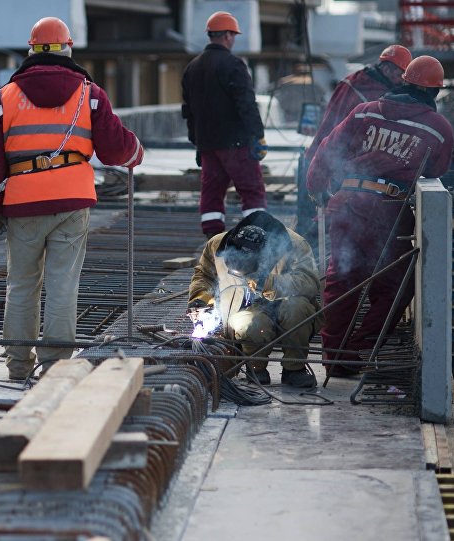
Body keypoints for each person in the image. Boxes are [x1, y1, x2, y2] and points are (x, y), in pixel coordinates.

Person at [0, 16, 143, 380]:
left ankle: (18, 366)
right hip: (71, 201)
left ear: (31, 50)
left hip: (23, 204)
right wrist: (136, 153)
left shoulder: (4, 98)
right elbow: (116, 149)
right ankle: (55, 368)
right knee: (63, 285)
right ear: (68, 48)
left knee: (21, 285)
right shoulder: (90, 93)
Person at [306, 56, 454, 377]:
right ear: (435, 93)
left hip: (345, 202)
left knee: (342, 280)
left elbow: (330, 149)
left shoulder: (365, 111)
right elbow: (437, 169)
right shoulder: (438, 128)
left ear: (403, 81)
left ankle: (334, 358)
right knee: (396, 284)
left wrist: (317, 187)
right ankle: (357, 348)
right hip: (387, 209)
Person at [188, 211, 321, 387]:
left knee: (296, 309)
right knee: (249, 324)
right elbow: (204, 276)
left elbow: (309, 282)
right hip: (249, 306)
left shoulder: (295, 245)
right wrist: (201, 299)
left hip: (287, 301)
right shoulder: (217, 244)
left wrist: (268, 283)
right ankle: (255, 368)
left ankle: (294, 369)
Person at [297, 45, 412, 245]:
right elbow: (342, 134)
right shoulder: (369, 94)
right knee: (323, 225)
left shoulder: (355, 82)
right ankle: (307, 264)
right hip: (331, 161)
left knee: (319, 223)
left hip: (324, 158)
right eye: (400, 74)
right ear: (387, 69)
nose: (402, 80)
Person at [181, 11, 268, 238]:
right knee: (251, 190)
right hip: (237, 144)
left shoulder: (192, 68)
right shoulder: (234, 65)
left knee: (211, 193)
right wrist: (258, 136)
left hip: (208, 145)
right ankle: (255, 237)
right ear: (228, 36)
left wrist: (197, 143)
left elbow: (188, 111)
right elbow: (246, 104)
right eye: (234, 35)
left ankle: (214, 241)